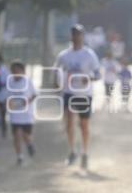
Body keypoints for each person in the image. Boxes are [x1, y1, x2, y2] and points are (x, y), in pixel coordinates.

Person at [54, 24, 101, 169]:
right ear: (71, 36)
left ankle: (85, 153)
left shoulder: (89, 54)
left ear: (83, 36)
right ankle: (72, 151)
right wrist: (56, 83)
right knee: (69, 122)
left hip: (85, 94)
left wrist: (89, 79)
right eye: (74, 34)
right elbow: (56, 70)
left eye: (79, 34)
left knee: (84, 125)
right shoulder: (64, 55)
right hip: (69, 93)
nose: (77, 37)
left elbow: (98, 74)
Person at [6, 61, 37, 165]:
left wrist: (27, 101)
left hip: (27, 114)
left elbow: (35, 94)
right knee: (17, 135)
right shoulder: (10, 82)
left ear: (23, 71)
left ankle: (29, 144)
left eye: (18, 70)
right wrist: (10, 104)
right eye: (13, 70)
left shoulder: (28, 81)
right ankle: (19, 156)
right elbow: (8, 96)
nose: (16, 72)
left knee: (26, 135)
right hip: (15, 115)